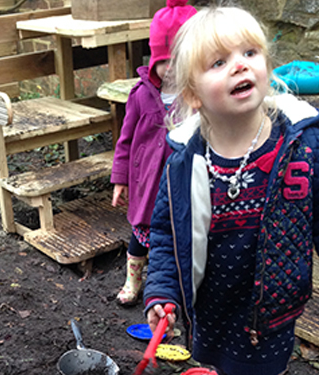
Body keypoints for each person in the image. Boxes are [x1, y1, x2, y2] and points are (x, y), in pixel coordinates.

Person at [143, 6, 319, 375]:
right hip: (211, 314)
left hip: (273, 316)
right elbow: (165, 234)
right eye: (219, 62)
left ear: (267, 68)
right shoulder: (183, 162)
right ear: (193, 95)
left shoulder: (302, 145)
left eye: (250, 53)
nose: (240, 65)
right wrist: (162, 293)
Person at [111, 0, 197, 305]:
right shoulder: (141, 95)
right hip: (147, 183)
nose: (172, 68)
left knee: (180, 235)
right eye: (165, 60)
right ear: (154, 58)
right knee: (141, 234)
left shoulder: (200, 98)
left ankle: (177, 286)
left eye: (180, 59)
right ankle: (133, 281)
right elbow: (125, 139)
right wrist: (120, 179)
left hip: (183, 184)